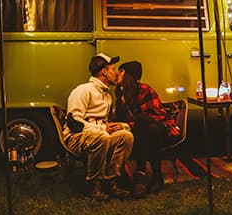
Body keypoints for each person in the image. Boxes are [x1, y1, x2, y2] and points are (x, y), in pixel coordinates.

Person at [64, 53, 134, 202]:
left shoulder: (107, 96)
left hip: (98, 135)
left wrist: (120, 126)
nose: (116, 73)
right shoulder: (84, 90)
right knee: (102, 137)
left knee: (126, 136)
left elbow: (109, 123)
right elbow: (73, 122)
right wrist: (103, 129)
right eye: (113, 69)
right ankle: (93, 184)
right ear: (104, 72)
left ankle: (111, 181)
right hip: (76, 137)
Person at [115, 61, 182, 198]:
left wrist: (129, 125)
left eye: (121, 71)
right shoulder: (121, 93)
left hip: (161, 127)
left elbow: (157, 116)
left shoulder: (144, 89)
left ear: (128, 75)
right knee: (146, 130)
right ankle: (153, 175)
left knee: (144, 122)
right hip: (144, 133)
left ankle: (142, 172)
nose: (117, 73)